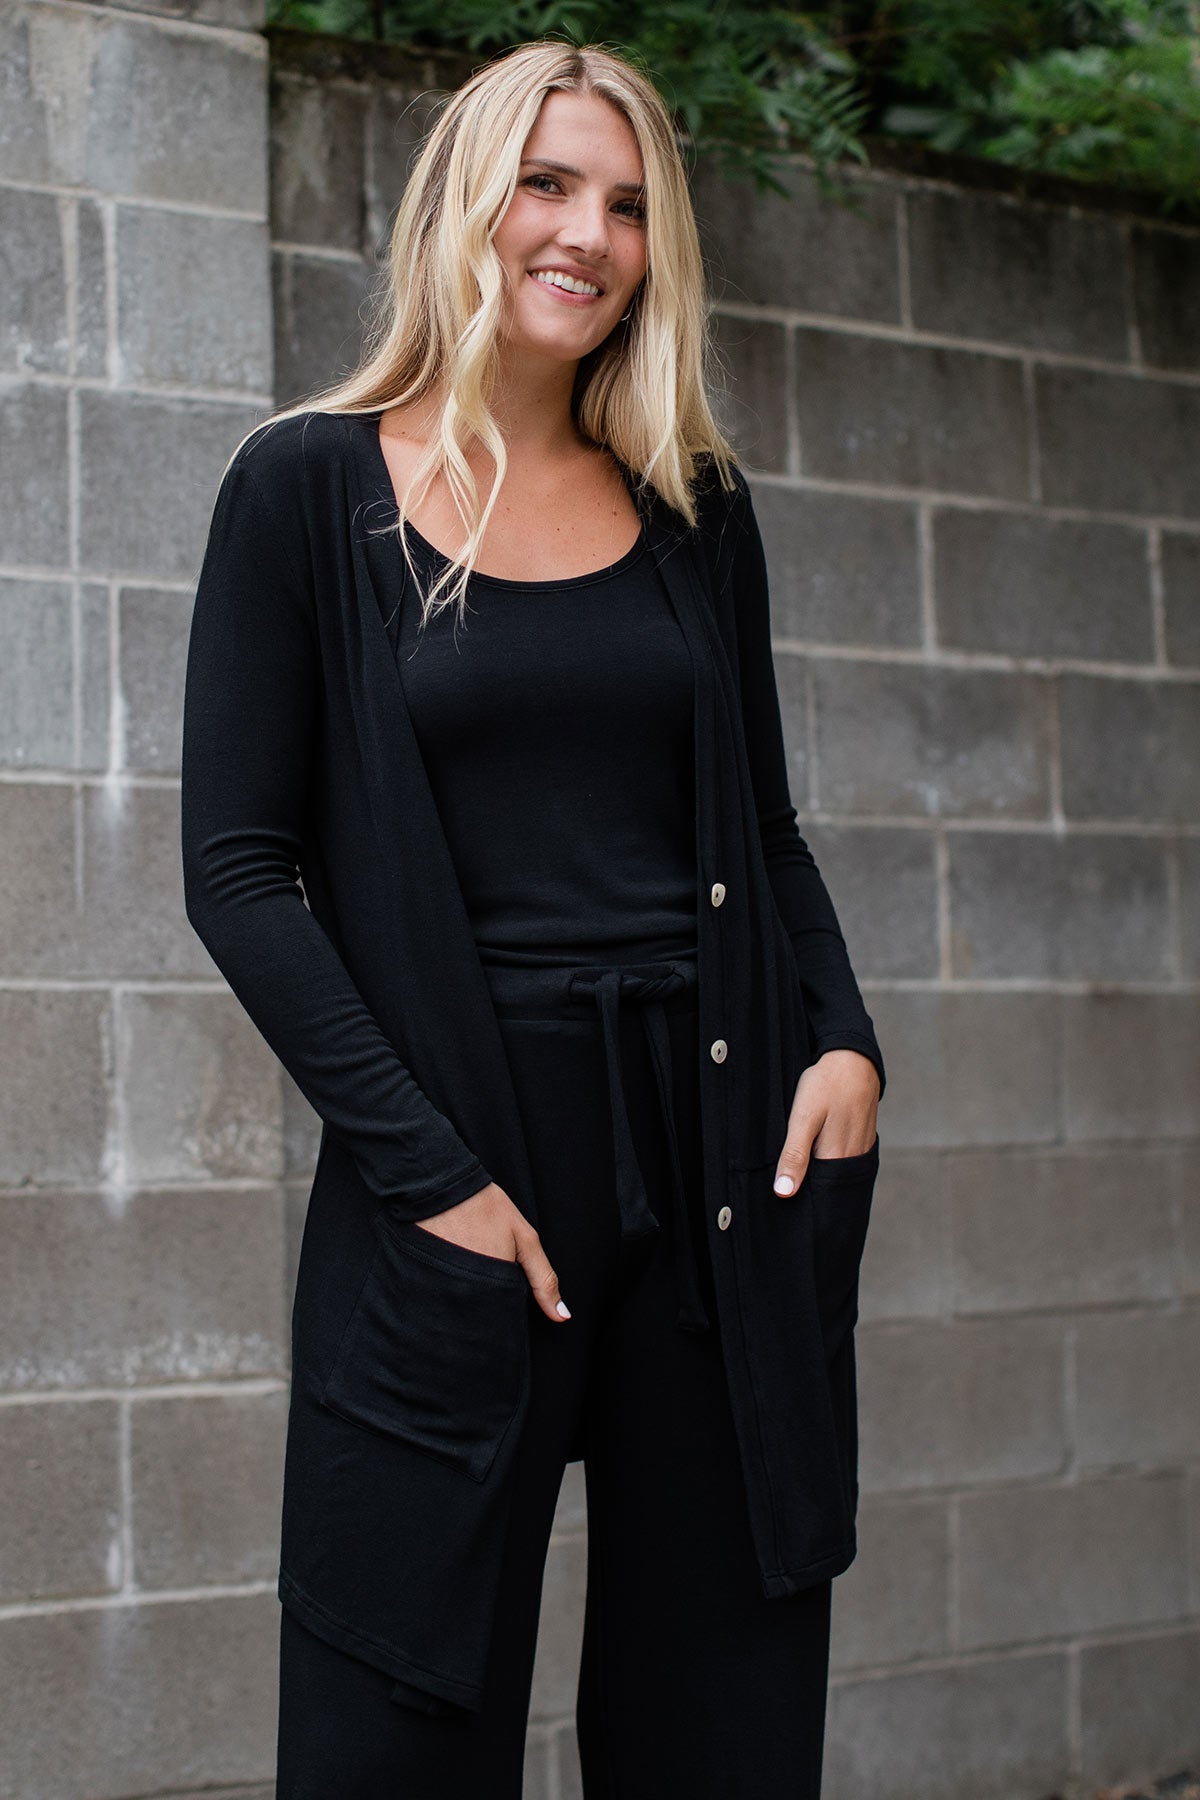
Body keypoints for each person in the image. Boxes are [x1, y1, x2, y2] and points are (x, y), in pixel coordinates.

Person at [180, 37, 884, 1800]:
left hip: (726, 1151)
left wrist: (850, 1039)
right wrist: (431, 1178)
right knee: (392, 1720)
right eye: (551, 184)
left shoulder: (695, 505)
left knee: (718, 1725)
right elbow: (239, 873)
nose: (589, 234)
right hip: (466, 1171)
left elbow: (767, 831)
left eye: (631, 204)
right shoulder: (306, 486)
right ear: (467, 201)